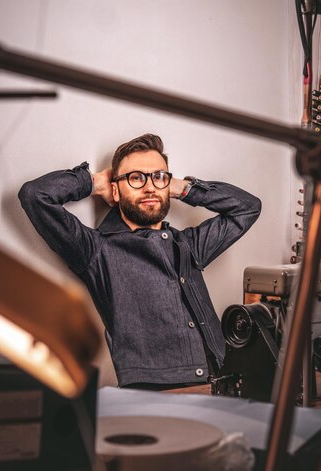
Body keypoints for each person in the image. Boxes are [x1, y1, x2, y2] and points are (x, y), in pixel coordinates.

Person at [18, 133, 261, 390]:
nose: (149, 187)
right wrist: (94, 183)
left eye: (158, 176)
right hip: (159, 395)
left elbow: (247, 208)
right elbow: (35, 196)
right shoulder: (97, 250)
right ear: (116, 188)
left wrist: (183, 188)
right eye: (136, 178)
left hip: (227, 382)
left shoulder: (188, 245)